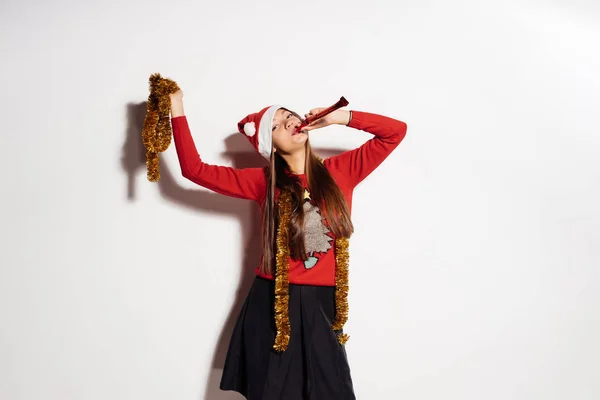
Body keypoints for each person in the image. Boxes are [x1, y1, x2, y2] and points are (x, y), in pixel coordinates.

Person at [168, 89, 407, 400]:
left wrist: (339, 118)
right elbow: (194, 170)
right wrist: (177, 106)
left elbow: (395, 132)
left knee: (332, 391)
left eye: (289, 115)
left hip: (323, 302)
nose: (290, 121)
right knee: (275, 392)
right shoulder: (262, 182)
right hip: (272, 302)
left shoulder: (341, 172)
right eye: (278, 124)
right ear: (270, 147)